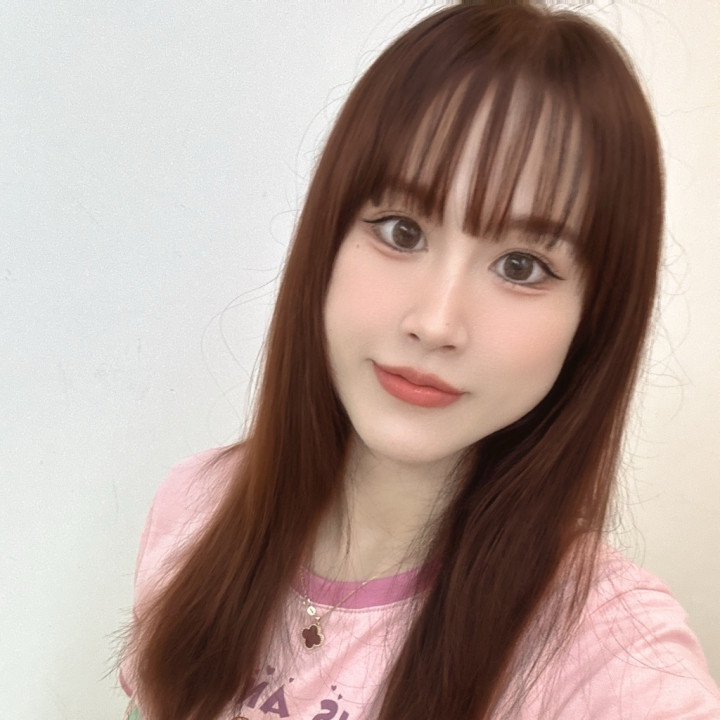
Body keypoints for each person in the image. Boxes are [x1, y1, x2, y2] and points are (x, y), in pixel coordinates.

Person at [119, 2, 720, 719]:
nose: (435, 323)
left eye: (522, 266)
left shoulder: (610, 654)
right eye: (401, 230)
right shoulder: (197, 504)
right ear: (326, 242)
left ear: (594, 320)